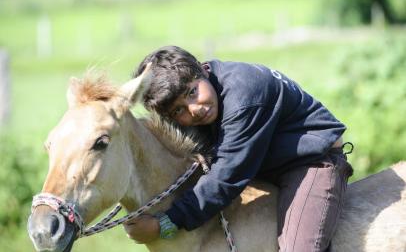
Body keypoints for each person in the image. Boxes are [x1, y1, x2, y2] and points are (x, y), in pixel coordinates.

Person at [123, 45, 353, 252]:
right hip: (262, 165)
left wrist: (166, 223)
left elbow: (226, 176)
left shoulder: (245, 96)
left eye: (192, 92)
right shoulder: (208, 93)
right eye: (178, 111)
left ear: (202, 70)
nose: (194, 110)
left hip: (310, 161)